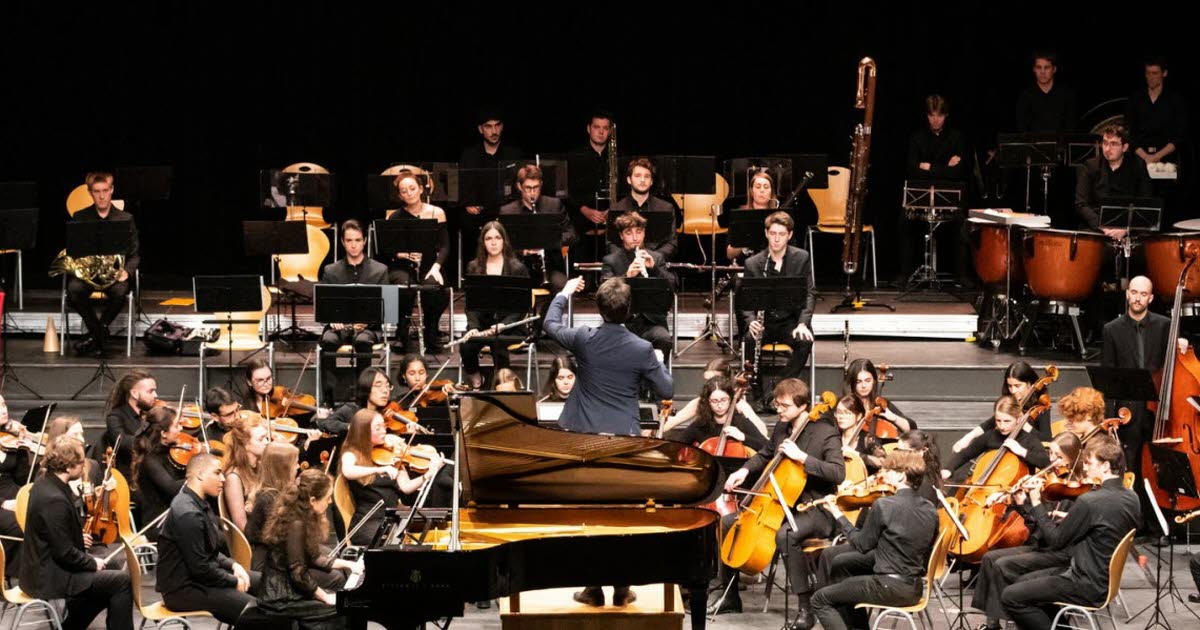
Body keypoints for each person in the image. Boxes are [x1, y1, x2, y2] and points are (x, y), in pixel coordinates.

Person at [714, 379, 844, 627]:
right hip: (781, 503)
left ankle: (805, 609)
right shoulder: (782, 428)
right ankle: (730, 597)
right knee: (729, 522)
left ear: (803, 406)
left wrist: (803, 458)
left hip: (815, 507)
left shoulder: (825, 432)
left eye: (785, 406)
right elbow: (765, 454)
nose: (779, 410)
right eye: (778, 404)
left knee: (787, 535)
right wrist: (743, 470)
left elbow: (838, 473)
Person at [1000, 436, 1141, 630]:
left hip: (1084, 582)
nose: (1085, 468)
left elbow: (1055, 541)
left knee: (1010, 596)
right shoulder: (1132, 497)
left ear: (1105, 466)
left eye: (1089, 463)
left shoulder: (1090, 501)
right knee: (1023, 583)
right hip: (1104, 580)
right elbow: (1106, 526)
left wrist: (1036, 502)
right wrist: (1072, 519)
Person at [810, 450, 938, 630]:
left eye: (889, 470)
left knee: (819, 599)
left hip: (887, 587)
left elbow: (861, 545)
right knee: (841, 563)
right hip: (914, 588)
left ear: (901, 475)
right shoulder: (930, 508)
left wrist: (837, 513)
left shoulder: (884, 505)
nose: (884, 474)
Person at [20, 435, 134, 630]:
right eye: (81, 462)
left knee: (112, 567)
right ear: (68, 468)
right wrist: (92, 562)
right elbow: (64, 553)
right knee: (120, 581)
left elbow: (54, 533)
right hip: (50, 575)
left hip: (49, 565)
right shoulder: (53, 499)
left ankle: (71, 626)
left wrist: (77, 537)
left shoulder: (46, 482)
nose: (84, 466)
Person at [971, 431, 1082, 630]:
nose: (1052, 460)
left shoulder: (1072, 489)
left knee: (1002, 565)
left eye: (1058, 456)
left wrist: (1036, 501)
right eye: (1051, 453)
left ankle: (1012, 620)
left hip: (1060, 553)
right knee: (989, 557)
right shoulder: (1050, 481)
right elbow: (1036, 525)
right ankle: (992, 622)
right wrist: (1022, 504)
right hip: (1043, 545)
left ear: (1071, 458)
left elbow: (1052, 534)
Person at [542, 276, 673, 436]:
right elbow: (666, 390)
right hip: (622, 430)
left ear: (599, 308)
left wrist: (565, 292)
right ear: (629, 308)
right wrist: (659, 361)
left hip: (582, 429)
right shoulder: (642, 349)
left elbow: (550, 324)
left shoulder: (583, 338)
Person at [157, 453, 257, 626]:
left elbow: (210, 551)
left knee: (266, 583)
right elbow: (200, 568)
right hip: (183, 590)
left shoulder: (199, 503)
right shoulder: (188, 513)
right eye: (217, 473)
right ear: (200, 474)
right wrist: (233, 581)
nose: (223, 479)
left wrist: (233, 565)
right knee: (256, 611)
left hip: (200, 579)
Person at [258, 469, 361, 628]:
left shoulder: (302, 518)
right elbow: (298, 574)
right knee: (343, 608)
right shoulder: (296, 525)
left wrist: (349, 565)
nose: (330, 502)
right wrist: (325, 597)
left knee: (345, 603)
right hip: (280, 597)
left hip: (290, 590)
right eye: (327, 498)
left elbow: (315, 558)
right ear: (312, 500)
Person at [1102, 275, 1181, 469]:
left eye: (1143, 294)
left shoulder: (1165, 326)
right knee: (1130, 464)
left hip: (1159, 409)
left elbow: (1174, 367)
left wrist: (1182, 344)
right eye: (1134, 292)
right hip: (1127, 412)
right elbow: (1108, 377)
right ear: (1127, 294)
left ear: (1150, 298)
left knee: (1159, 465)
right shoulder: (1111, 329)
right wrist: (1109, 418)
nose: (1138, 298)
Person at [339, 409, 443, 545]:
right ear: (363, 431)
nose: (384, 431)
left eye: (384, 426)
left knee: (437, 527)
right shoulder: (352, 453)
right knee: (403, 544)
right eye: (378, 428)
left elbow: (406, 487)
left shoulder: (391, 455)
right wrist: (379, 470)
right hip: (368, 524)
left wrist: (428, 474)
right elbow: (347, 471)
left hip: (392, 519)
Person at [65, 171, 140, 357]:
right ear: (90, 192)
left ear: (112, 190)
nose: (101, 196)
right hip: (88, 276)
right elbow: (73, 253)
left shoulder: (125, 219)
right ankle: (99, 333)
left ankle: (95, 335)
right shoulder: (80, 217)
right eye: (97, 191)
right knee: (73, 289)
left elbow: (135, 254)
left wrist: (127, 272)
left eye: (105, 190)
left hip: (114, 276)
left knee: (121, 291)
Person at [741, 212, 816, 396]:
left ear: (789, 235)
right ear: (766, 233)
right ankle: (757, 394)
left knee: (804, 341)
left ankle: (778, 390)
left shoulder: (801, 257)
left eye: (781, 234)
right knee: (750, 339)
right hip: (764, 322)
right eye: (773, 233)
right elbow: (745, 298)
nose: (776, 239)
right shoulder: (752, 263)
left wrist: (802, 323)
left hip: (790, 321)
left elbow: (810, 293)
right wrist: (750, 321)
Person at [902, 94, 969, 282]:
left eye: (939, 115)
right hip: (922, 195)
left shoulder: (956, 137)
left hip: (949, 197)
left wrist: (929, 167)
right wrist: (945, 168)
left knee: (962, 222)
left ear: (946, 115)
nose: (936, 120)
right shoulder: (917, 137)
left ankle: (962, 275)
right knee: (904, 219)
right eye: (932, 115)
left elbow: (959, 172)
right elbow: (912, 170)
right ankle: (905, 273)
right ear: (927, 116)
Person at [460, 220, 530, 388]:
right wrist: (473, 327)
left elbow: (521, 306)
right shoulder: (474, 267)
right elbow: (471, 304)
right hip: (483, 324)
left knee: (498, 345)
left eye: (497, 238)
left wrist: (504, 324)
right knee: (466, 346)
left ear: (504, 241)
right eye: (488, 238)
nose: (493, 242)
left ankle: (503, 386)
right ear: (483, 242)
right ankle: (476, 380)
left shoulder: (517, 268)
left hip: (510, 326)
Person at [386, 170, 451, 352]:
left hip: (430, 264)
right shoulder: (395, 217)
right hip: (403, 265)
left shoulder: (437, 212)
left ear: (421, 189)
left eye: (412, 188)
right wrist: (403, 255)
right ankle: (401, 333)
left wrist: (436, 267)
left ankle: (431, 332)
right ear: (400, 195)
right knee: (401, 286)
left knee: (435, 288)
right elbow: (388, 250)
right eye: (404, 191)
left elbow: (445, 246)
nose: (409, 193)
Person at [600, 211, 676, 352]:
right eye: (629, 233)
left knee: (663, 339)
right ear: (621, 235)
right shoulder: (611, 261)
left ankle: (655, 367)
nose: (635, 238)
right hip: (622, 323)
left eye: (639, 232)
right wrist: (626, 277)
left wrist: (654, 269)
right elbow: (605, 295)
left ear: (644, 233)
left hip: (651, 323)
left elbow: (672, 286)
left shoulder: (656, 258)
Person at [499, 164, 577, 293]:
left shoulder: (553, 205)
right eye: (528, 188)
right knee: (510, 288)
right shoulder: (508, 211)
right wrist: (523, 251)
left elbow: (572, 234)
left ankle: (550, 307)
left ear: (541, 184)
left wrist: (550, 240)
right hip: (519, 267)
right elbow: (503, 243)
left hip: (550, 267)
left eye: (536, 187)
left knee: (563, 286)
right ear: (519, 186)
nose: (532, 192)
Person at [318, 220, 389, 354]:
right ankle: (329, 369)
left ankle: (364, 369)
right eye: (349, 240)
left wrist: (367, 322)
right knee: (328, 340)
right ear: (342, 242)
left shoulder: (380, 270)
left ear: (365, 241)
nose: (354, 245)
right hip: (338, 328)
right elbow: (323, 307)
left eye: (358, 240)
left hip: (368, 329)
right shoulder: (330, 270)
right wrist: (332, 320)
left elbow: (386, 308)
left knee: (363, 341)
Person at [1074, 123, 1152, 240]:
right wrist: (1103, 227)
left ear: (1124, 147)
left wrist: (1126, 229)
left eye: (1113, 144)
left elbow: (1146, 203)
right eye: (1105, 143)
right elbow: (1081, 204)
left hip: (1128, 229)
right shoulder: (1090, 166)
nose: (1107, 149)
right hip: (1097, 228)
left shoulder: (1138, 166)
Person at [943, 395, 1050, 480]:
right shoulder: (991, 436)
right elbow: (965, 454)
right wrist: (948, 469)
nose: (1002, 426)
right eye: (998, 421)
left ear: (1018, 419)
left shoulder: (1029, 440)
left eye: (1007, 421)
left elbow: (1046, 463)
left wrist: (1022, 451)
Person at [953, 361, 1047, 452]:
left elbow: (1047, 439)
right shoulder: (1009, 400)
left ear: (1029, 384)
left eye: (1017, 386)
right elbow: (990, 423)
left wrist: (1024, 425)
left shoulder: (1042, 404)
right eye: (1010, 386)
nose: (1013, 391)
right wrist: (967, 438)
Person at [664, 375, 767, 451]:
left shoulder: (741, 422)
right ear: (707, 401)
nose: (719, 405)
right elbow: (677, 446)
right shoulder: (701, 424)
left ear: (731, 399)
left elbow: (766, 446)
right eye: (714, 401)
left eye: (724, 400)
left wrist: (743, 437)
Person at [567, 110, 617, 262]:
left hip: (611, 232)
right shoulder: (574, 157)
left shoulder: (617, 157)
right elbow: (566, 191)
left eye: (605, 128)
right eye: (596, 127)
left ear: (610, 131)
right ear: (588, 129)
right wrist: (585, 210)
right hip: (582, 229)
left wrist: (613, 210)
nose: (601, 132)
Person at [130, 406, 186, 536]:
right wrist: (196, 475)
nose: (181, 428)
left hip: (177, 519)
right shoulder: (150, 461)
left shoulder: (171, 453)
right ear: (163, 433)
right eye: (176, 426)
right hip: (160, 526)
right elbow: (171, 488)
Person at [608, 157, 678, 259]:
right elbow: (610, 243)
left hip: (656, 264)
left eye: (647, 176)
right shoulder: (616, 208)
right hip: (625, 265)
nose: (642, 180)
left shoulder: (666, 208)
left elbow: (672, 243)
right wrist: (627, 259)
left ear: (651, 181)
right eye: (637, 176)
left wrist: (653, 258)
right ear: (629, 180)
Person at [1126, 56, 1188, 168]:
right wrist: (1146, 157)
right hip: (1140, 159)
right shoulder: (1136, 99)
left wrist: (1157, 156)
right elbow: (1130, 133)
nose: (1151, 77)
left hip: (1167, 159)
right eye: (1148, 73)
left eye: (1155, 73)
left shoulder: (1175, 100)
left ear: (1164, 73)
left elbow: (1179, 135)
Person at [102, 369, 156, 480]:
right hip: (131, 477)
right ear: (134, 393)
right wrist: (152, 440)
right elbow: (124, 442)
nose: (156, 395)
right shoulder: (115, 417)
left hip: (152, 471)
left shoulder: (151, 414)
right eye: (150, 391)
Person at [0, 393, 31, 580]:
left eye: (4, 405)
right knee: (19, 525)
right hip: (1, 501)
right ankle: (15, 577)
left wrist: (23, 450)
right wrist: (3, 503)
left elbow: (22, 479)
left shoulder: (8, 439)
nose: (4, 410)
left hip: (13, 493)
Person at [843, 358, 915, 436]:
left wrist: (894, 418)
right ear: (852, 383)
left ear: (874, 380)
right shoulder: (844, 405)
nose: (864, 385)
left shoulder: (881, 404)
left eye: (868, 381)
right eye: (858, 382)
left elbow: (912, 429)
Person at [222, 413, 270, 531]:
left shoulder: (260, 465)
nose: (267, 442)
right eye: (261, 439)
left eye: (266, 437)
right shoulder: (233, 477)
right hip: (253, 537)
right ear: (245, 444)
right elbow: (241, 526)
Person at [1015, 52, 1077, 134]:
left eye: (1047, 67)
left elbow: (1071, 128)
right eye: (1039, 67)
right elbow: (1022, 130)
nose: (1042, 72)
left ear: (1054, 69)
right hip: (1033, 142)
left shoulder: (1067, 94)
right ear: (1034, 69)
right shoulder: (1025, 96)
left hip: (1061, 142)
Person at [725, 170, 779, 262]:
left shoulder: (778, 216)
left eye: (766, 187)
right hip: (745, 265)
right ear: (751, 191)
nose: (762, 190)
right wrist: (747, 242)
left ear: (771, 191)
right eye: (758, 187)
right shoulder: (740, 216)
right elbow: (729, 254)